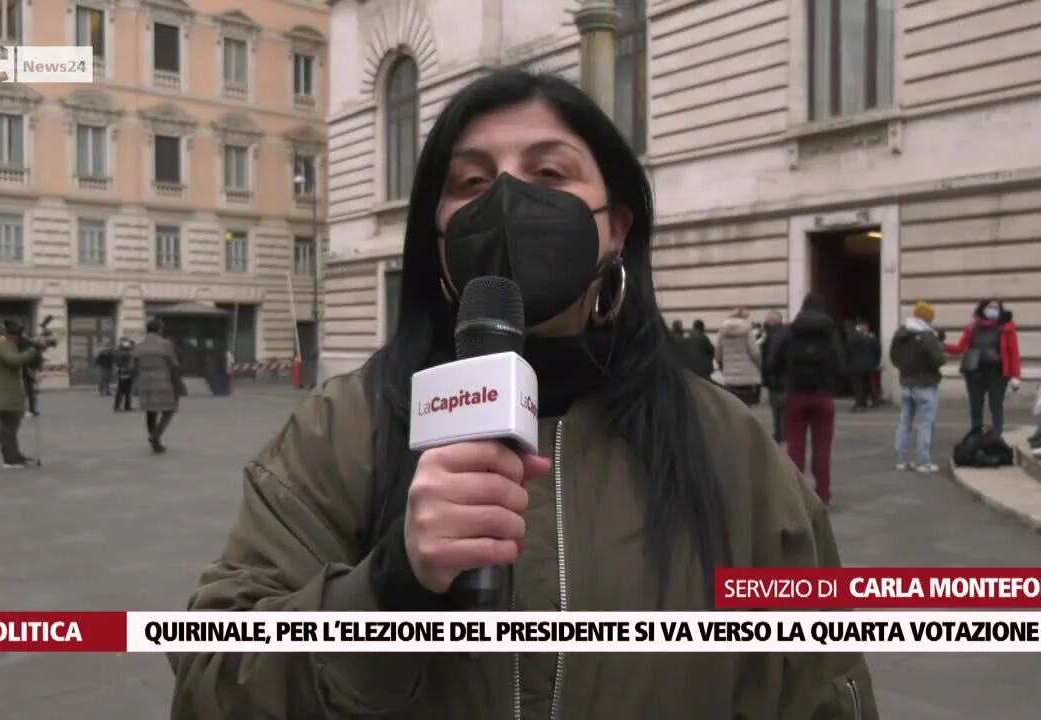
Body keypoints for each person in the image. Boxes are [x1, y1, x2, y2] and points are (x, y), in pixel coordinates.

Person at [169, 69, 875, 719]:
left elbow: (821, 689)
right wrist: (388, 591)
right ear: (437, 237)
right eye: (472, 183)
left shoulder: (730, 449)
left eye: (549, 172)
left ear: (616, 227)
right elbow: (211, 679)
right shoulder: (344, 426)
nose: (507, 199)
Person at [770, 294, 844, 505]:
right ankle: (823, 493)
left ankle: (795, 494)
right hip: (823, 396)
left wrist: (780, 380)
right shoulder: (830, 333)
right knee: (822, 449)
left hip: (796, 396)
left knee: (795, 447)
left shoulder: (790, 330)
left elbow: (773, 361)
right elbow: (841, 363)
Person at [945, 298, 1021, 437]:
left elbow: (1013, 352)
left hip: (997, 372)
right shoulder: (973, 326)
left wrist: (1016, 375)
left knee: (996, 405)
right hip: (975, 372)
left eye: (996, 307)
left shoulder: (1006, 327)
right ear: (983, 308)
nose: (993, 310)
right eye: (990, 307)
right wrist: (943, 346)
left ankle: (997, 435)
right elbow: (961, 347)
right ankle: (975, 434)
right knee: (975, 406)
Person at [890, 301, 946, 473]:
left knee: (904, 422)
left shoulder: (900, 333)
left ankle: (901, 459)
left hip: (907, 383)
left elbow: (893, 357)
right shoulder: (927, 335)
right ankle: (923, 461)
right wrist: (939, 345)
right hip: (925, 384)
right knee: (926, 423)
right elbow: (938, 360)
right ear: (927, 318)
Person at [0, 320, 40, 468]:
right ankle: (9, 459)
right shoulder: (2, 345)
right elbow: (15, 360)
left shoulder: (8, 345)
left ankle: (15, 454)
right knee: (7, 429)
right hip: (6, 394)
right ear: (12, 335)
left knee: (12, 426)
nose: (20, 339)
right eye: (18, 335)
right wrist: (32, 350)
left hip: (11, 394)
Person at [133, 318, 182, 454]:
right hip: (161, 380)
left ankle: (155, 443)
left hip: (144, 380)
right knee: (170, 409)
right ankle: (155, 436)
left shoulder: (139, 345)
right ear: (160, 329)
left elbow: (134, 364)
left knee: (150, 411)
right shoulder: (165, 344)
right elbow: (174, 363)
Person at [715, 307, 762, 406]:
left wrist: (723, 368)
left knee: (733, 408)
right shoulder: (748, 331)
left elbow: (718, 354)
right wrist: (759, 366)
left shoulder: (722, 332)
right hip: (748, 378)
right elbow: (755, 353)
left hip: (730, 379)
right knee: (747, 407)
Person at [759, 310, 788, 443]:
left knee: (778, 407)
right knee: (782, 408)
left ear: (772, 321)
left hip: (777, 377)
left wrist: (768, 371)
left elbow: (771, 356)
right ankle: (782, 432)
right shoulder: (785, 332)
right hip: (785, 376)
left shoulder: (774, 335)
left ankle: (780, 433)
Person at [845, 320, 881, 411]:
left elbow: (848, 350)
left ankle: (860, 403)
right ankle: (863, 402)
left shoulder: (852, 335)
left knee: (859, 385)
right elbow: (877, 350)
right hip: (868, 365)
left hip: (856, 364)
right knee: (864, 384)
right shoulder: (870, 337)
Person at [113, 338, 135, 412]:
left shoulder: (120, 354)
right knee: (124, 391)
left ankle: (122, 406)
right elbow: (127, 364)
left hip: (124, 373)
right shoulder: (126, 355)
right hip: (126, 373)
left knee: (123, 391)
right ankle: (124, 406)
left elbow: (117, 364)